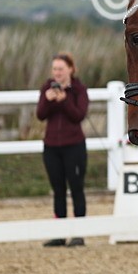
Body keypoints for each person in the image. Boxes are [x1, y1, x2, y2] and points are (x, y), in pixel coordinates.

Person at [35, 52, 90, 246]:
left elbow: (79, 115)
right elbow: (40, 114)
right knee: (58, 189)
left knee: (76, 188)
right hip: (51, 146)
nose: (57, 72)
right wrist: (48, 100)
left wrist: (65, 100)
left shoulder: (79, 90)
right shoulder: (46, 88)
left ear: (70, 69)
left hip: (74, 145)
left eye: (60, 68)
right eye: (54, 69)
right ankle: (59, 233)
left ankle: (79, 232)